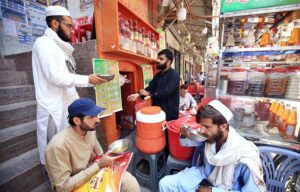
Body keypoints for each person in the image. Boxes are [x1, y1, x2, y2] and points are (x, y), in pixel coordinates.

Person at [32, 6, 106, 164]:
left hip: (67, 103)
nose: (72, 30)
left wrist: (79, 101)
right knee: (55, 151)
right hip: (53, 108)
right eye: (69, 25)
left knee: (69, 148)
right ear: (55, 23)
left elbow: (68, 78)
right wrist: (87, 80)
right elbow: (56, 77)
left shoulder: (60, 47)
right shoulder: (43, 43)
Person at [159, 100, 266, 192]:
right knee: (165, 184)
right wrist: (185, 133)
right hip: (202, 174)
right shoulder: (210, 136)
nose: (201, 130)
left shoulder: (245, 154)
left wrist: (213, 190)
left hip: (227, 187)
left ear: (223, 126)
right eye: (201, 125)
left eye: (206, 126)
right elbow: (186, 143)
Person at [45, 98, 140, 192]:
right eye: (91, 117)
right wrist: (98, 165)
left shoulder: (89, 130)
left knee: (130, 183)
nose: (98, 120)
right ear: (77, 120)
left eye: (97, 115)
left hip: (93, 171)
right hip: (74, 183)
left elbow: (99, 154)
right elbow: (63, 187)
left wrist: (107, 159)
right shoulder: (58, 146)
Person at [127, 49, 180, 121]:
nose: (157, 60)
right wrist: (137, 94)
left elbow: (166, 92)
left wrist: (149, 93)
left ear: (169, 62)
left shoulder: (174, 75)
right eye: (158, 58)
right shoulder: (158, 75)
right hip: (156, 111)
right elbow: (150, 87)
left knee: (166, 131)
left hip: (169, 113)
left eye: (161, 59)